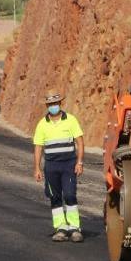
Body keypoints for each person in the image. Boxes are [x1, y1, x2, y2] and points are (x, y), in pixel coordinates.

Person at [33, 89, 85, 242]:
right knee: (55, 197)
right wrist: (37, 168)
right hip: (51, 166)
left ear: (60, 103)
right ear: (47, 106)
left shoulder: (71, 120)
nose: (53, 106)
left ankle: (74, 228)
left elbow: (80, 142)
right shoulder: (42, 124)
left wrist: (79, 162)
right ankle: (61, 227)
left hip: (69, 164)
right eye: (50, 104)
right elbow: (38, 147)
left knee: (69, 195)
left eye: (55, 103)